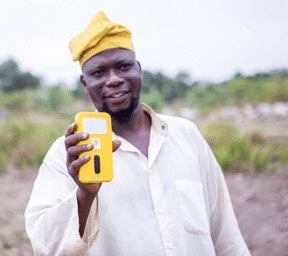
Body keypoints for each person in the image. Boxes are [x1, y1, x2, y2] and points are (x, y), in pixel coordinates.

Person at [25, 11, 250, 256]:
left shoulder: (186, 135)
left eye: (123, 66)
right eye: (99, 73)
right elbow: (46, 246)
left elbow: (225, 233)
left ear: (139, 70)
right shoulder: (68, 155)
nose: (113, 80)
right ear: (84, 83)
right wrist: (84, 194)